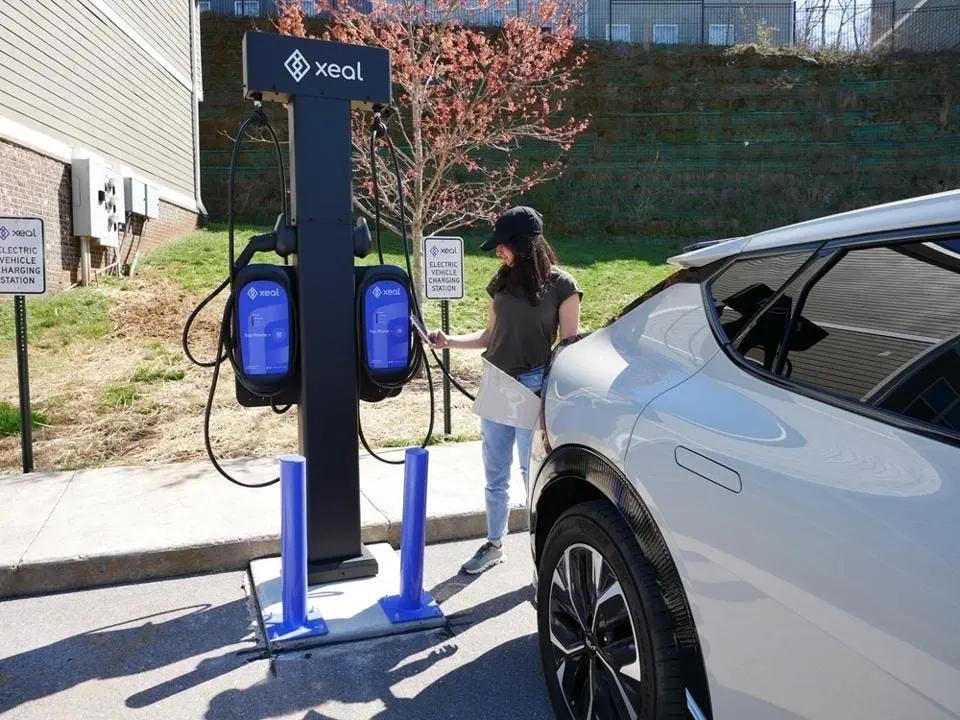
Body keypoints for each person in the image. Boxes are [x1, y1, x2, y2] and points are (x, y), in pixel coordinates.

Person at [430, 206, 582, 574]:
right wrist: (448, 341)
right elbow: (488, 336)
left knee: (534, 477)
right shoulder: (502, 280)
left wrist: (552, 398)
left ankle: (544, 557)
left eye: (502, 245)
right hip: (496, 383)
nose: (498, 252)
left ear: (523, 245)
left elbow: (569, 348)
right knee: (495, 475)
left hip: (533, 387)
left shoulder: (563, 286)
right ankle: (494, 544)